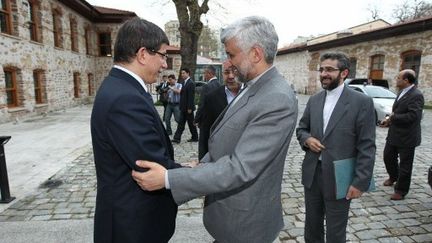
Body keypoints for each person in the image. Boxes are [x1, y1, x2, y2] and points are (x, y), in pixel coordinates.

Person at [131, 16, 298, 243]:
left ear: (256, 54)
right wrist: (201, 165)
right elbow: (228, 141)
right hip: (230, 221)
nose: (228, 62)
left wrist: (169, 179)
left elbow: (240, 167)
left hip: (245, 227)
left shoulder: (276, 97)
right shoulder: (253, 86)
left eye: (231, 54)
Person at [90, 17, 181, 243]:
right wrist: (199, 174)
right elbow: (150, 164)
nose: (164, 64)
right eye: (162, 55)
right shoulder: (125, 98)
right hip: (131, 227)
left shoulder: (123, 88)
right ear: (142, 54)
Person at [296, 52, 376, 243]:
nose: (324, 73)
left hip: (340, 177)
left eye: (330, 70)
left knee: (335, 231)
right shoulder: (314, 100)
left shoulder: (361, 102)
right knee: (312, 225)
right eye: (322, 69)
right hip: (313, 174)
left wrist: (359, 182)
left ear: (344, 73)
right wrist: (307, 140)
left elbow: (367, 145)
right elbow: (302, 129)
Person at [379, 69, 424, 200]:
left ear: (406, 80)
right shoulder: (402, 92)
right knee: (388, 157)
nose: (396, 79)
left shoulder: (416, 95)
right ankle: (393, 176)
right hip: (394, 134)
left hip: (407, 137)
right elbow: (398, 111)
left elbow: (414, 116)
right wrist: (388, 121)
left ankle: (401, 190)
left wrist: (393, 117)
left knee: (405, 165)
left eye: (398, 77)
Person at [196, 61, 241, 160]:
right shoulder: (212, 98)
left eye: (235, 72)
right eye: (226, 72)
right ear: (222, 74)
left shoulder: (252, 94)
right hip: (220, 158)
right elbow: (205, 133)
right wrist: (203, 162)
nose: (231, 76)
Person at [172, 68, 199, 143]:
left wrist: (190, 108)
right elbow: (182, 94)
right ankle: (177, 138)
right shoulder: (184, 82)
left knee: (191, 124)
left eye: (184, 73)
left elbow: (191, 97)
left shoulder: (191, 83)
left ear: (188, 73)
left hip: (188, 108)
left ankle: (195, 137)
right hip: (183, 107)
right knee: (181, 123)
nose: (182, 75)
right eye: (181, 73)